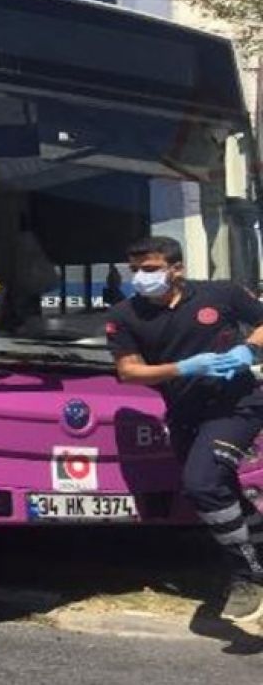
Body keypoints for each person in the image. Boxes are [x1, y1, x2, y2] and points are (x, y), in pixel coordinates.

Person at [106, 235, 263, 622]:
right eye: (135, 271)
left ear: (176, 269)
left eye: (150, 269)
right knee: (219, 492)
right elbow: (128, 372)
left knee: (202, 483)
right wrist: (184, 368)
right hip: (184, 413)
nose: (141, 277)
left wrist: (249, 351)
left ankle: (247, 577)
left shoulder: (221, 294)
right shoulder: (125, 316)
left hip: (236, 405)